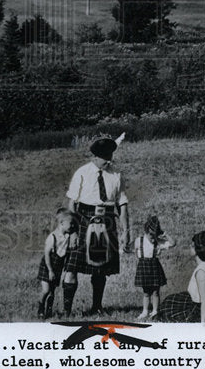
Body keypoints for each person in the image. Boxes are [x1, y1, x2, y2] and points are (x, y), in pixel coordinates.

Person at [62, 135, 130, 317]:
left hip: (107, 221)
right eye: (104, 158)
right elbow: (72, 205)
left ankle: (97, 306)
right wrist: (73, 231)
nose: (108, 161)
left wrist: (126, 231)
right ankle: (67, 310)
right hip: (83, 219)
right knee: (72, 266)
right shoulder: (82, 173)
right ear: (95, 157)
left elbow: (122, 205)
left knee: (100, 269)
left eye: (110, 157)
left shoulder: (116, 175)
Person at [158, 230, 205, 324]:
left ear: (197, 250)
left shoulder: (202, 272)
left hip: (203, 309)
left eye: (192, 245)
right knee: (171, 299)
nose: (189, 247)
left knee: (167, 310)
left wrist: (204, 324)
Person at [36, 209, 78, 320]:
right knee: (46, 290)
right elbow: (47, 254)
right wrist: (50, 270)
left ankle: (49, 310)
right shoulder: (52, 237)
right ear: (62, 223)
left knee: (52, 291)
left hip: (57, 266)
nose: (72, 226)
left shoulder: (68, 236)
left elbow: (65, 253)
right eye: (70, 223)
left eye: (73, 223)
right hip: (48, 265)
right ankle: (40, 307)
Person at [134, 213, 175, 320]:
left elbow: (173, 243)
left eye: (155, 234)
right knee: (146, 292)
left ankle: (155, 311)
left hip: (154, 267)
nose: (153, 237)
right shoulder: (139, 240)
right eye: (151, 235)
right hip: (143, 267)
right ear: (146, 231)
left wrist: (165, 234)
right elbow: (131, 249)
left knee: (156, 291)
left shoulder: (158, 242)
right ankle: (145, 311)